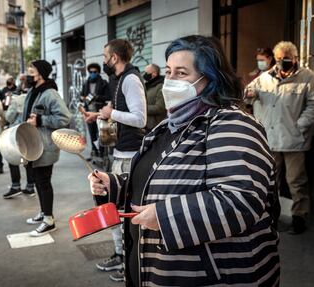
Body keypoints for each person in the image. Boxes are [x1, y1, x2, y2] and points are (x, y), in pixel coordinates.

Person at [88, 35, 280, 286]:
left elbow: (240, 200)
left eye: (181, 73)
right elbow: (161, 178)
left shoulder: (232, 124)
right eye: (168, 71)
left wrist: (166, 216)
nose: (170, 81)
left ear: (209, 79)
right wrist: (115, 185)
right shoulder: (170, 126)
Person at [84, 39, 147, 282]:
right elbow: (118, 109)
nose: (103, 61)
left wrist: (112, 113)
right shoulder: (120, 79)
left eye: (105, 56)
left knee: (124, 212)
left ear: (115, 58)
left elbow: (140, 118)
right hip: (121, 154)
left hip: (130, 157)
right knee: (114, 209)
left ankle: (127, 263)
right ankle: (121, 256)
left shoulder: (130, 79)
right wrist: (98, 114)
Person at [246, 41, 314, 235]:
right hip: (269, 138)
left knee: (296, 181)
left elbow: (313, 104)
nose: (282, 62)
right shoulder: (264, 78)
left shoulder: (307, 77)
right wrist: (249, 95)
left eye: (286, 59)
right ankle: (269, 215)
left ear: (294, 58)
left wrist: (300, 125)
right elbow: (247, 98)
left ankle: (299, 217)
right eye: (278, 59)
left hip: (294, 139)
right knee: (269, 179)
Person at [23, 60, 72, 236]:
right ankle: (44, 212)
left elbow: (65, 118)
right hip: (33, 145)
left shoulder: (50, 93)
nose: (28, 74)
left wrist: (41, 121)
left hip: (45, 147)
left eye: (31, 71)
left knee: (43, 182)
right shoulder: (33, 92)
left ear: (41, 74)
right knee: (37, 179)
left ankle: (49, 220)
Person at [2, 92, 35, 199]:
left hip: (15, 133)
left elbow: (9, 117)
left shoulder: (16, 101)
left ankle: (15, 186)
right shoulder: (35, 98)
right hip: (29, 132)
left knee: (12, 158)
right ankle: (30, 187)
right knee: (28, 159)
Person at [80, 63, 110, 158]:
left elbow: (108, 96)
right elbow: (81, 95)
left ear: (98, 72)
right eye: (91, 72)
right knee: (92, 133)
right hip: (88, 112)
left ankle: (101, 152)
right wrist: (83, 98)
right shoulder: (86, 83)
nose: (92, 73)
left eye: (95, 72)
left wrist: (97, 97)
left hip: (99, 112)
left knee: (101, 133)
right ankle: (94, 151)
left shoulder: (103, 83)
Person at [143, 63, 166, 131]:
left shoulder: (161, 86)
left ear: (154, 74)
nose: (144, 75)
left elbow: (159, 108)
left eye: (146, 72)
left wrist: (142, 108)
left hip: (155, 127)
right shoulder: (148, 86)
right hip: (146, 125)